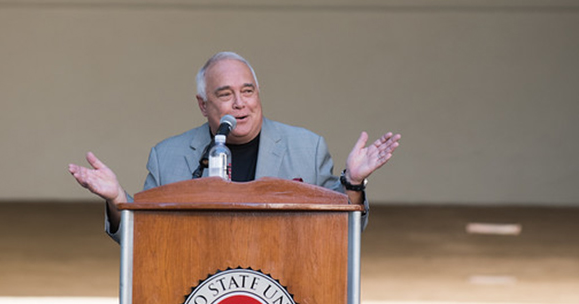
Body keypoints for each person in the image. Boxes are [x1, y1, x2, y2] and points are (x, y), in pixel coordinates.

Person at [69, 52, 401, 241]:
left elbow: (343, 233)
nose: (240, 104)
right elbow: (141, 238)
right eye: (225, 94)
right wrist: (117, 199)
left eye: (248, 91)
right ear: (203, 105)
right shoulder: (167, 156)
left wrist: (353, 183)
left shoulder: (307, 148)